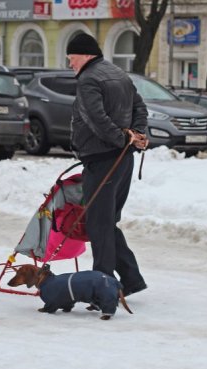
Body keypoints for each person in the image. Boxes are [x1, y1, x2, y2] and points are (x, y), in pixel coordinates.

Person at [67, 33, 148, 297]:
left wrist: (124, 138)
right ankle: (131, 278)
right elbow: (140, 107)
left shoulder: (89, 79)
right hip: (122, 160)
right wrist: (135, 135)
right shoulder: (119, 73)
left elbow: (95, 118)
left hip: (104, 159)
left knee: (99, 225)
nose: (70, 64)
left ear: (86, 55)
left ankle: (103, 286)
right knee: (106, 221)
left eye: (72, 58)